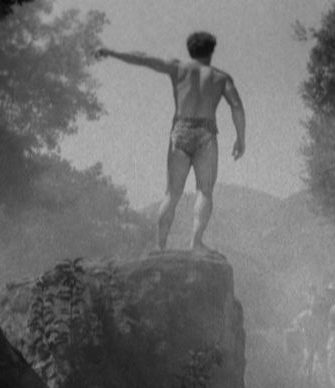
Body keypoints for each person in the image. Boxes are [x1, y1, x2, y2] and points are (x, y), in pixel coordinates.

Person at [95, 32, 246, 253]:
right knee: (204, 191)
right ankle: (196, 243)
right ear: (211, 51)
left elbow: (143, 58)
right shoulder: (221, 77)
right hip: (206, 132)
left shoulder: (178, 68)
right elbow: (236, 106)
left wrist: (111, 52)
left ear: (190, 50)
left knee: (172, 193)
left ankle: (160, 245)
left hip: (180, 130)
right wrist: (240, 138)